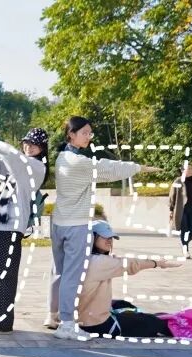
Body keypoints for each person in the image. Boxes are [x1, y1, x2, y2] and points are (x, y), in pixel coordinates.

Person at [48, 116, 163, 341]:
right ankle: (67, 324)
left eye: (90, 133)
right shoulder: (78, 162)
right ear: (71, 134)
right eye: (84, 133)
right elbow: (108, 169)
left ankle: (55, 316)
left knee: (60, 273)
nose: (88, 137)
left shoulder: (62, 158)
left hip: (59, 223)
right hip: (75, 225)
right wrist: (139, 168)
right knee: (72, 276)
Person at [76, 221, 192, 339]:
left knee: (124, 305)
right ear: (91, 237)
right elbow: (130, 264)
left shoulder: (84, 258)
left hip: (87, 316)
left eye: (111, 237)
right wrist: (157, 263)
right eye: (105, 236)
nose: (109, 240)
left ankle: (190, 317)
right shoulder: (97, 262)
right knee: (150, 322)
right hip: (97, 325)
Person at [0, 128, 49, 335]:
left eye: (34, 144)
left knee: (3, 273)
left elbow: (11, 154)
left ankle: (1, 323)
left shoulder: (35, 166)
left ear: (43, 148)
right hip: (2, 224)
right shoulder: (21, 166)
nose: (28, 147)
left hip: (11, 226)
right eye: (26, 142)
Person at [169, 165, 192, 259]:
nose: (190, 170)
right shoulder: (178, 181)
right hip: (182, 210)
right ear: (182, 171)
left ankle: (184, 243)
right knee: (184, 230)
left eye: (191, 168)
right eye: (188, 169)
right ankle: (185, 250)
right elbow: (172, 195)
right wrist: (171, 209)